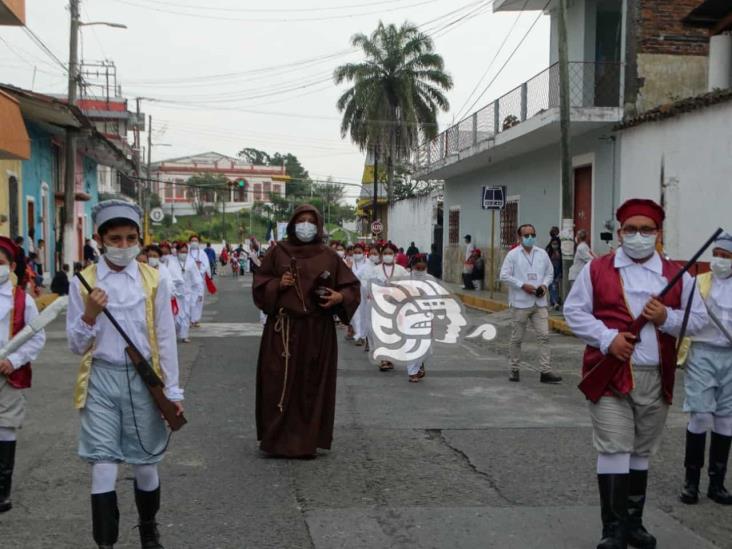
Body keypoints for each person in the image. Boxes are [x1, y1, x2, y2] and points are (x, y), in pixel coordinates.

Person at [563, 198, 706, 549]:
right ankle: (612, 530)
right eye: (631, 229)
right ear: (620, 231)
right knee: (615, 447)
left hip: (656, 376)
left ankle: (633, 524)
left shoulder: (678, 276)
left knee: (640, 451)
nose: (638, 236)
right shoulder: (597, 269)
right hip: (609, 373)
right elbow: (574, 311)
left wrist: (666, 319)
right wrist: (608, 339)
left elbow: (699, 320)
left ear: (658, 234)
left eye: (646, 230)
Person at [66, 200, 184, 548]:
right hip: (101, 379)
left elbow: (165, 338)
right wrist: (89, 314)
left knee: (145, 463)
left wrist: (173, 392)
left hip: (143, 382)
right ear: (100, 239)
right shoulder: (83, 282)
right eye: (115, 238)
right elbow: (75, 345)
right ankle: (105, 544)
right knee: (103, 465)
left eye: (130, 238)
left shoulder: (154, 280)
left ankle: (148, 529)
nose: (123, 246)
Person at [253, 205, 360, 458]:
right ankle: (275, 439)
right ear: (292, 224)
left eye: (311, 221)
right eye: (301, 220)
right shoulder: (278, 253)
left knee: (311, 384)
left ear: (319, 225)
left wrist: (338, 297)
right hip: (282, 330)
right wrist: (278, 284)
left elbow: (351, 287)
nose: (305, 225)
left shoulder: (329, 256)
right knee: (277, 382)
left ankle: (306, 441)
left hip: (317, 331)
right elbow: (259, 285)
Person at [677, 232, 732, 506]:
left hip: (731, 358)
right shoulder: (698, 283)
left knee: (725, 419)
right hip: (701, 353)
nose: (720, 261)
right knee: (699, 415)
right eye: (717, 255)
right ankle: (691, 482)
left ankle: (717, 483)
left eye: (726, 257)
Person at [0, 236, 46, 513]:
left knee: (5, 427)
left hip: (8, 374)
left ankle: (2, 490)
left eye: (1, 263)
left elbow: (36, 337)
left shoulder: (22, 300)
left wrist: (14, 360)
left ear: (12, 266)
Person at [499, 224, 562, 384]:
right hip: (520, 303)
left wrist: (544, 285)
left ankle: (545, 371)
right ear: (519, 237)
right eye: (526, 235)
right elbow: (504, 276)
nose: (530, 238)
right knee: (517, 338)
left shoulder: (542, 253)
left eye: (532, 234)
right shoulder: (513, 255)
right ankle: (514, 369)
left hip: (539, 302)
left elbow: (549, 272)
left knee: (544, 337)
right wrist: (522, 285)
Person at [370, 242, 409, 371]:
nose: (387, 256)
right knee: (380, 331)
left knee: (393, 332)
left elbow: (408, 286)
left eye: (390, 253)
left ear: (395, 255)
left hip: (396, 305)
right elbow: (369, 286)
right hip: (379, 305)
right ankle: (383, 359)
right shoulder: (375, 270)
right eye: (385, 253)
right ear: (381, 255)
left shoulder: (401, 270)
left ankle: (390, 357)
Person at [187, 235, 210, 328]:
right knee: (189, 299)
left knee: (198, 300)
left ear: (199, 242)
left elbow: (206, 265)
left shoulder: (202, 253)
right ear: (189, 242)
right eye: (192, 240)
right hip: (189, 280)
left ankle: (196, 319)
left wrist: (199, 271)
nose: (194, 242)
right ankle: (189, 319)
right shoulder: (186, 252)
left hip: (199, 279)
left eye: (196, 240)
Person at [546, 238, 563, 309]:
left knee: (555, 287)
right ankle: (555, 303)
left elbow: (561, 263)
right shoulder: (549, 252)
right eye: (553, 244)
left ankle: (553, 302)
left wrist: (561, 273)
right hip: (550, 272)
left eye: (556, 244)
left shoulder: (560, 252)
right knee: (552, 287)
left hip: (558, 272)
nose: (555, 245)